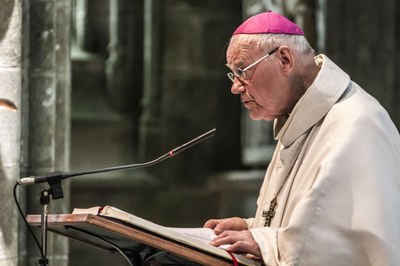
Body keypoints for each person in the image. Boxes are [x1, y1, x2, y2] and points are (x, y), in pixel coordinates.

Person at [204, 11, 400, 266]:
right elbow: (311, 222)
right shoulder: (297, 120)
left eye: (242, 71)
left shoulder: (358, 122)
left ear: (285, 59)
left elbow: (355, 246)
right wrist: (251, 226)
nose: (235, 86)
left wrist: (265, 241)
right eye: (233, 74)